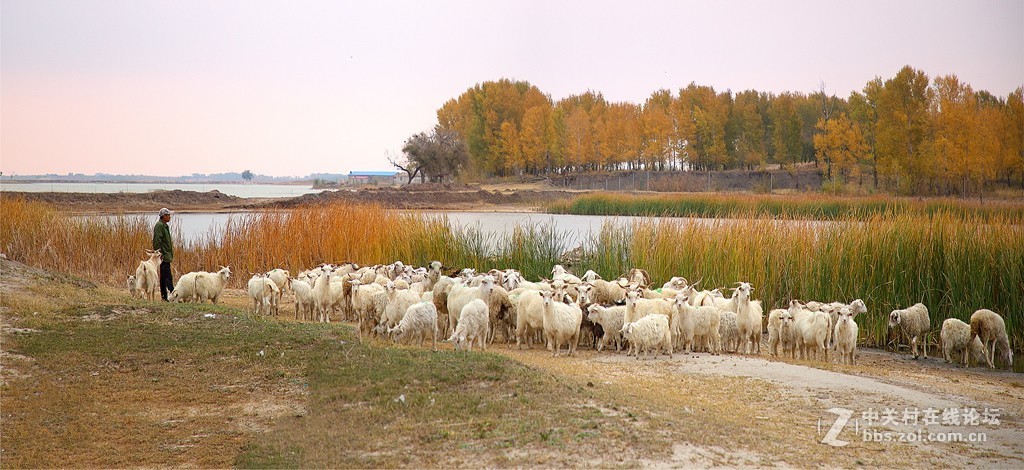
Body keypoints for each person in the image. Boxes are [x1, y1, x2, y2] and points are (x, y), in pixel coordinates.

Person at [153, 207, 174, 301]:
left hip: (166, 255)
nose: (169, 217)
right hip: (163, 256)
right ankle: (172, 294)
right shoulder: (159, 225)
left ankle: (164, 297)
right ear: (163, 216)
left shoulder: (164, 225)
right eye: (168, 215)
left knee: (164, 276)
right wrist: (159, 253)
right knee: (167, 276)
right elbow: (157, 240)